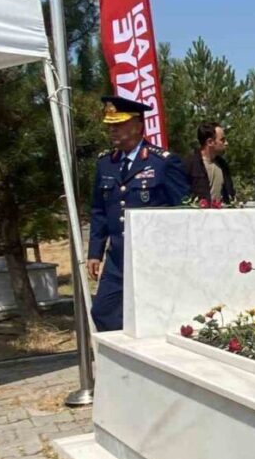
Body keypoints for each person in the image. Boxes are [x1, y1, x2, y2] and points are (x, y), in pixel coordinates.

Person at [87, 96, 190, 331]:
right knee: (103, 311)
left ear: (137, 125)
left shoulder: (162, 162)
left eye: (118, 124)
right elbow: (99, 211)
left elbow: (184, 210)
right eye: (109, 125)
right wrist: (95, 252)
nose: (112, 130)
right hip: (118, 257)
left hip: (154, 256)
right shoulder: (105, 163)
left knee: (151, 318)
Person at [183, 121, 235, 204]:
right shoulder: (190, 164)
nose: (226, 143)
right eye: (222, 140)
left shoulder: (223, 165)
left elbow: (230, 194)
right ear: (210, 142)